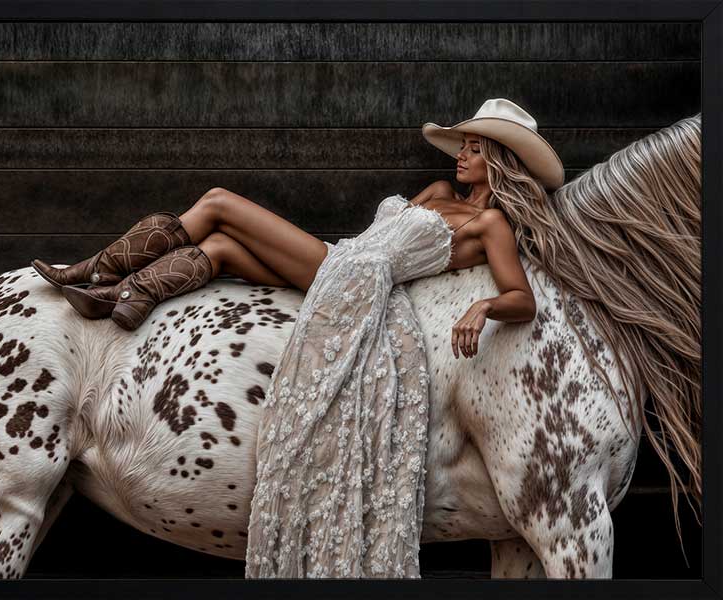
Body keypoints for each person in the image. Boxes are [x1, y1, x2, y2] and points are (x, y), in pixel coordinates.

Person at [31, 98, 564, 577]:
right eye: (463, 146)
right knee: (221, 249)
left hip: (357, 282)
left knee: (218, 202)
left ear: (499, 160)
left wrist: (482, 306)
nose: (460, 156)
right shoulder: (441, 192)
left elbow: (523, 297)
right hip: (344, 261)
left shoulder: (491, 224)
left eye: (473, 148)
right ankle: (128, 294)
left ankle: (95, 272)